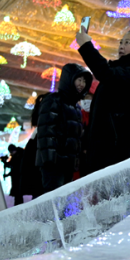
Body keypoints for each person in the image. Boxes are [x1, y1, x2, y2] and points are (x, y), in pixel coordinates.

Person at [74, 28, 130, 174]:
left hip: (118, 149)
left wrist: (86, 46)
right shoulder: (127, 68)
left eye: (127, 42)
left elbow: (106, 73)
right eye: (121, 42)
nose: (121, 46)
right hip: (110, 148)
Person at [35, 63, 93, 193]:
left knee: (62, 202)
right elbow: (46, 132)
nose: (82, 84)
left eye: (84, 81)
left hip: (68, 165)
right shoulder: (53, 100)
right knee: (52, 201)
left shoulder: (76, 107)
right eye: (79, 79)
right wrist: (50, 160)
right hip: (53, 164)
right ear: (69, 79)